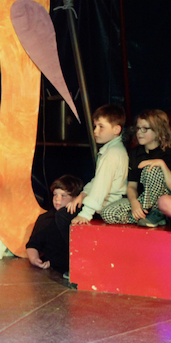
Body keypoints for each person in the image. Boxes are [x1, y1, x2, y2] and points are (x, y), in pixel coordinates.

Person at [53, 104, 128, 275]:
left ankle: (81, 265)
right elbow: (97, 180)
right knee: (65, 213)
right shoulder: (110, 150)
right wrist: (83, 194)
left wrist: (85, 213)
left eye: (101, 127)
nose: (96, 131)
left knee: (64, 216)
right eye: (95, 126)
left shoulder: (113, 154)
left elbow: (102, 187)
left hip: (108, 204)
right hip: (101, 202)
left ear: (116, 129)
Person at [101, 109, 171, 227]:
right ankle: (144, 216)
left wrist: (162, 164)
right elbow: (132, 186)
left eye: (145, 129)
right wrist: (134, 203)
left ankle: (158, 214)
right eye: (138, 128)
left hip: (163, 202)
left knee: (151, 169)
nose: (139, 132)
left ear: (158, 130)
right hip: (142, 199)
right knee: (108, 213)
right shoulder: (135, 153)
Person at [26, 175, 83, 272]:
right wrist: (34, 259)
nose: (57, 198)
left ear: (75, 198)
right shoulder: (45, 218)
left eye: (63, 195)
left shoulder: (79, 219)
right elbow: (33, 245)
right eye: (55, 194)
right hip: (52, 270)